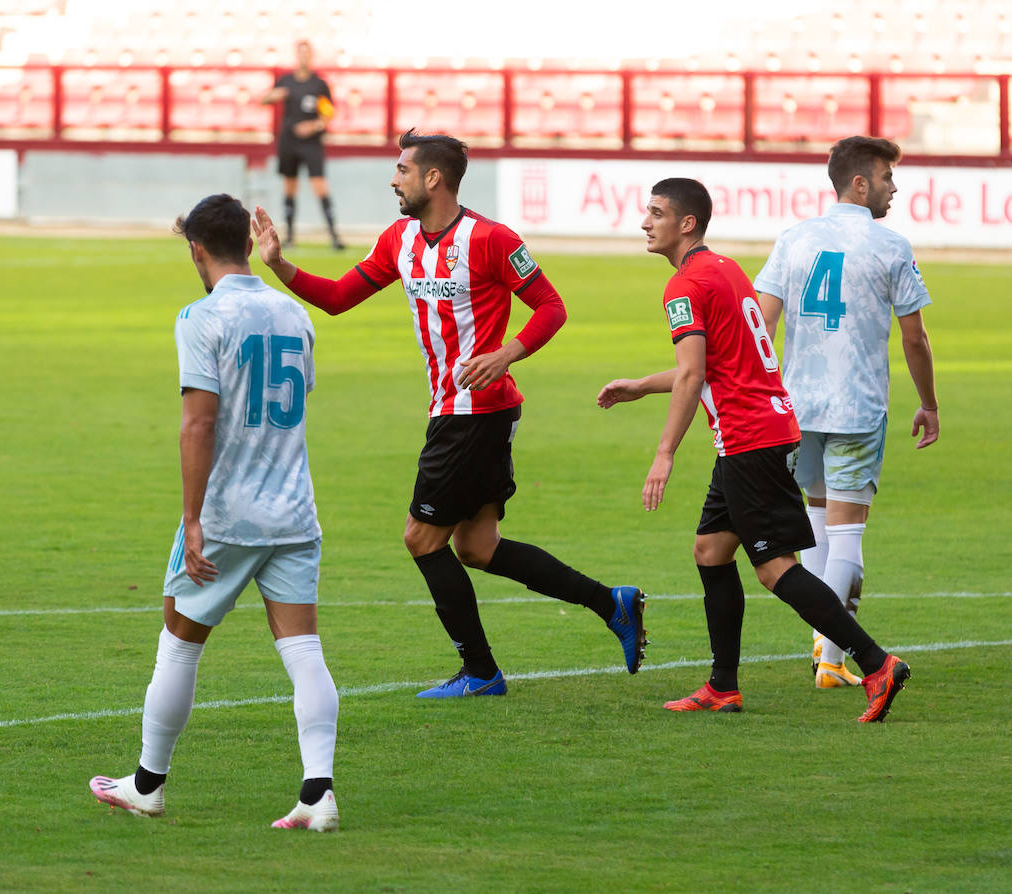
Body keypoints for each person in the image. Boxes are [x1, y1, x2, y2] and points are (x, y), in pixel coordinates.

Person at [252, 129, 646, 699]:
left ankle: (482, 671)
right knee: (477, 547)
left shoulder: (490, 239)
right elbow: (339, 298)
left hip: (475, 412)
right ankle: (610, 602)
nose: (394, 179)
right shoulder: (399, 239)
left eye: (402, 170)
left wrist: (507, 352)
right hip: (457, 410)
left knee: (421, 538)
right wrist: (281, 265)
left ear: (433, 178)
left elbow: (551, 307)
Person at [595, 177, 908, 722]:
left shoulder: (684, 287)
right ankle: (723, 686)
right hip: (762, 429)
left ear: (686, 223)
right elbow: (720, 364)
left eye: (656, 212)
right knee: (711, 552)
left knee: (773, 566)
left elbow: (695, 375)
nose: (645, 221)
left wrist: (664, 452)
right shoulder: (724, 270)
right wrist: (641, 385)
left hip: (750, 438)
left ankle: (877, 664)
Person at [90, 194, 339, 831]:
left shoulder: (201, 317)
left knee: (178, 644)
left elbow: (199, 423)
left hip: (228, 513)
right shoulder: (294, 312)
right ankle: (318, 795)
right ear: (249, 245)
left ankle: (147, 785)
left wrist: (193, 518)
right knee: (304, 649)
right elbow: (297, 397)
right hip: (293, 511)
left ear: (197, 249)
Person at [754, 136, 938, 689]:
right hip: (857, 407)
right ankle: (832, 660)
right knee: (848, 534)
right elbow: (915, 339)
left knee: (816, 520)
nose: (894, 187)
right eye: (886, 177)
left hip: (795, 406)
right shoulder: (890, 245)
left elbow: (762, 323)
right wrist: (928, 403)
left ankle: (820, 641)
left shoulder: (794, 238)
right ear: (859, 183)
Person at [260, 40, 344, 250]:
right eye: (301, 52)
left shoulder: (318, 84)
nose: (304, 56)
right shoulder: (286, 81)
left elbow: (328, 113)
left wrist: (314, 125)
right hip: (289, 141)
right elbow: (264, 100)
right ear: (297, 55)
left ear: (311, 55)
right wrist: (275, 95)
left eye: (308, 52)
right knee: (289, 187)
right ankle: (289, 237)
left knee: (320, 186)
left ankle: (334, 236)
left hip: (312, 143)